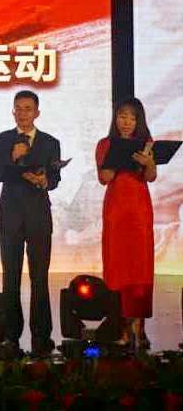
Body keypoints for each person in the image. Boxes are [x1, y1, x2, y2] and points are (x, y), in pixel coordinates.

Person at [0, 89, 62, 357]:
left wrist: (45, 181)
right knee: (11, 278)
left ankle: (41, 337)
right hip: (10, 216)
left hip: (38, 216)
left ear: (37, 113)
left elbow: (55, 178)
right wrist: (12, 157)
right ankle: (11, 336)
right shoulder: (2, 140)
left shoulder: (50, 142)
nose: (22, 113)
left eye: (28, 109)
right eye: (18, 108)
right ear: (13, 112)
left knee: (40, 278)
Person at [96, 97, 157, 348]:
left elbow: (151, 177)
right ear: (116, 118)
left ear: (139, 121)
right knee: (117, 266)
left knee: (141, 267)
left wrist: (148, 163)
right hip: (116, 212)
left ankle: (139, 328)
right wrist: (119, 158)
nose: (127, 122)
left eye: (132, 117)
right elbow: (104, 178)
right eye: (122, 116)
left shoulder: (146, 144)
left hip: (140, 211)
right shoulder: (105, 144)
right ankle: (121, 327)